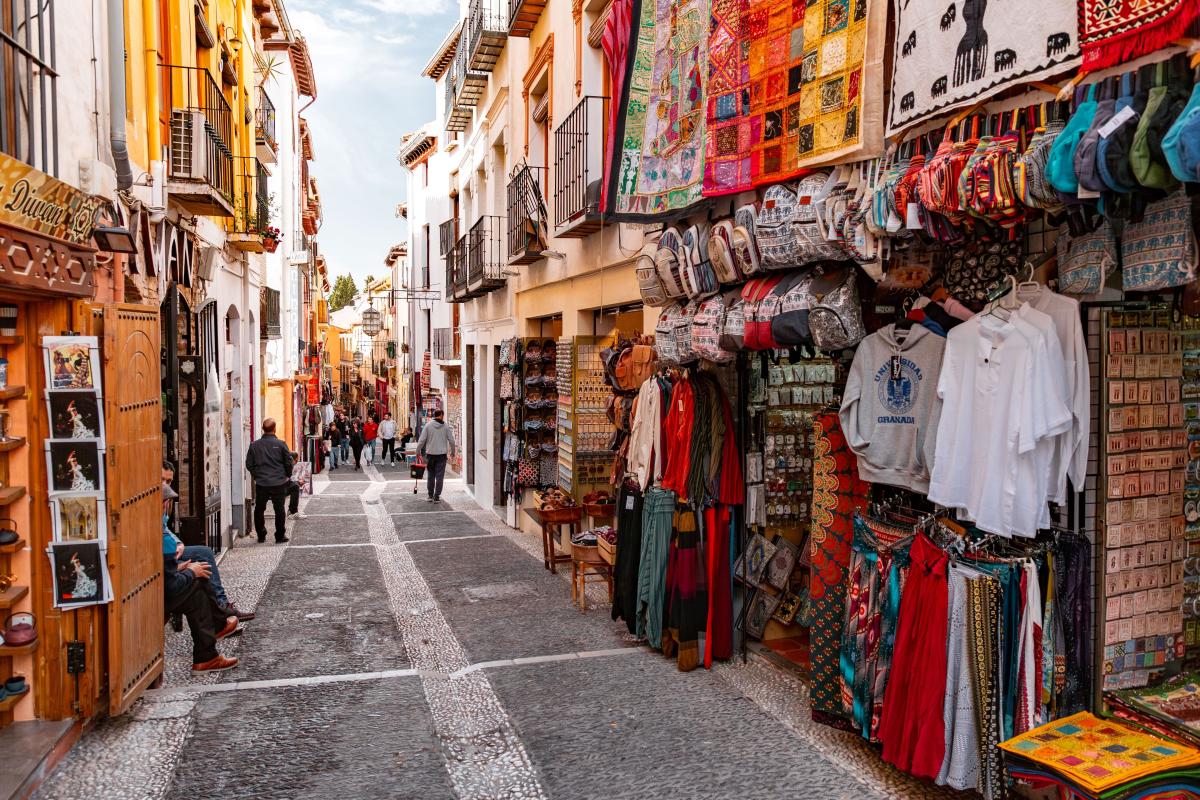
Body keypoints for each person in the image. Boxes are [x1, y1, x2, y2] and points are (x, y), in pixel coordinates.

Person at [162, 482, 240, 673]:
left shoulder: (151, 528)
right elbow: (171, 586)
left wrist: (181, 567)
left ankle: (207, 657)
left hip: (157, 589)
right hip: (159, 596)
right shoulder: (162, 537)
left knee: (198, 594)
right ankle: (219, 624)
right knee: (199, 578)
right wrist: (191, 572)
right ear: (165, 504)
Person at [162, 462, 254, 621]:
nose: (165, 484)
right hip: (161, 555)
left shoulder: (165, 501)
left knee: (204, 553)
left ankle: (221, 605)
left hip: (169, 551)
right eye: (161, 479)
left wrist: (178, 544)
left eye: (168, 481)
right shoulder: (155, 500)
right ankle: (221, 611)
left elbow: (164, 528)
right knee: (201, 568)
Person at [245, 418, 295, 543]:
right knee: (279, 510)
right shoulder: (281, 444)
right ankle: (280, 535)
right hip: (279, 482)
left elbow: (249, 464)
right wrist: (287, 475)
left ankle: (261, 535)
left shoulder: (254, 445)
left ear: (263, 429)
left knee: (259, 509)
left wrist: (257, 476)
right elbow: (288, 462)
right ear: (275, 429)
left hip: (262, 483)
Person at [416, 409, 456, 502]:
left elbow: (422, 440)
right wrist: (453, 452)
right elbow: (451, 440)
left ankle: (430, 495)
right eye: (443, 415)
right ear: (441, 415)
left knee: (431, 475)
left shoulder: (428, 425)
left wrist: (417, 451)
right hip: (442, 455)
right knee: (439, 476)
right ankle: (437, 496)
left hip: (430, 455)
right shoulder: (445, 426)